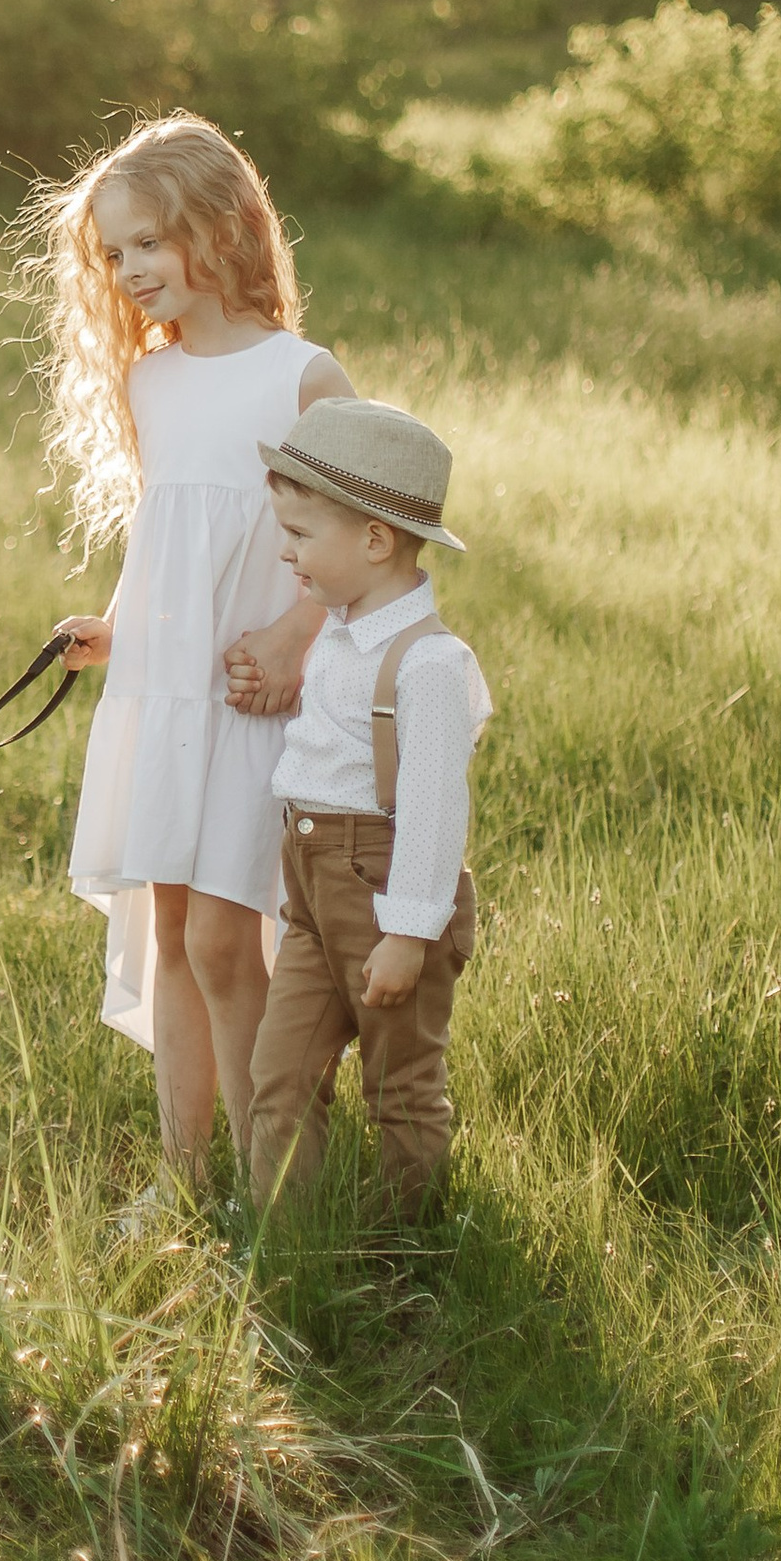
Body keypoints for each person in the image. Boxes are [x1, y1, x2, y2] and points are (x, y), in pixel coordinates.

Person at [30, 114, 352, 1182]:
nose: (127, 272)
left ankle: (283, 1182)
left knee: (226, 939)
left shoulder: (302, 378)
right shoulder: (151, 383)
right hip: (162, 695)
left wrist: (298, 632)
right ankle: (188, 1175)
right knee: (170, 935)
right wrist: (113, 629)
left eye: (147, 246)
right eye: (112, 255)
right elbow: (167, 533)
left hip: (254, 693)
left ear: (219, 229)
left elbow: (358, 544)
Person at [246, 400, 492, 1213]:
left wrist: (408, 933)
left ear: (376, 541)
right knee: (281, 1072)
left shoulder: (426, 662)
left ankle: (403, 1256)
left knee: (401, 1087)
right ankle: (288, 1242)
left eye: (302, 536)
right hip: (313, 887)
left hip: (387, 892)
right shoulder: (344, 635)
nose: (287, 554)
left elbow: (430, 807)